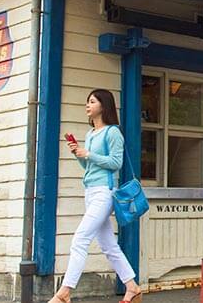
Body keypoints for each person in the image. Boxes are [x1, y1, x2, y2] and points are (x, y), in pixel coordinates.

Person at [49, 89, 142, 303]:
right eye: (87, 102)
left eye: (92, 101)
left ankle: (65, 292)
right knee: (108, 245)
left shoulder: (113, 132)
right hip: (90, 191)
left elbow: (115, 163)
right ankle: (132, 287)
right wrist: (79, 154)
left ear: (103, 105)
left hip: (104, 192)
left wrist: (89, 154)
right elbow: (89, 166)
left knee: (80, 239)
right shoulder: (91, 134)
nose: (87, 105)